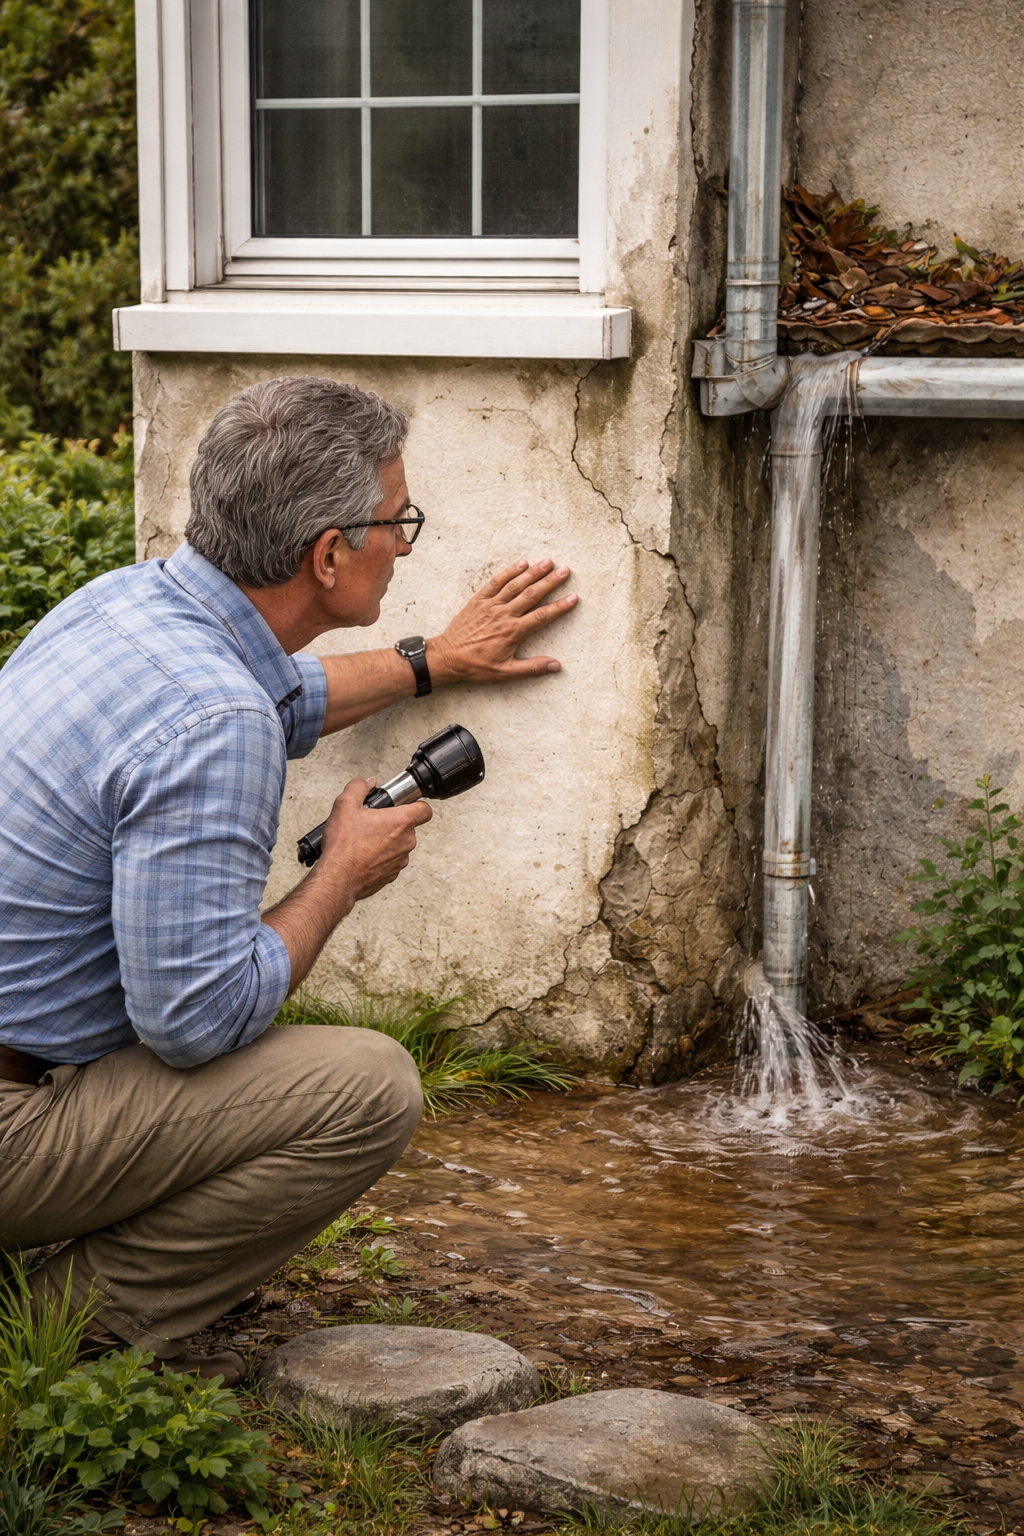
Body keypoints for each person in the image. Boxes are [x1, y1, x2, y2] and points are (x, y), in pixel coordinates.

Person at [0, 376, 577, 1384]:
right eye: (397, 520)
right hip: (12, 1125)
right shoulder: (215, 720)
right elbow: (195, 1020)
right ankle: (53, 1329)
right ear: (328, 554)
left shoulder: (128, 605)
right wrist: (340, 879)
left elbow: (280, 692)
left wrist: (430, 660)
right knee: (364, 1088)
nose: (404, 540)